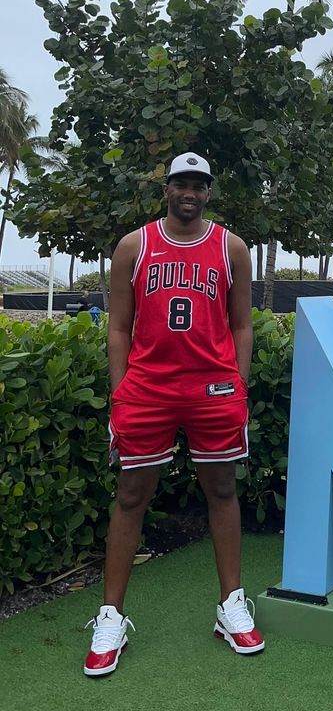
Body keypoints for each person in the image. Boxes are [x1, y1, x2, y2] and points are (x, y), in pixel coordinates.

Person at [85, 153, 263, 676]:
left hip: (212, 388)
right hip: (148, 388)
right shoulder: (134, 246)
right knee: (131, 495)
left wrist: (238, 384)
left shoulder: (231, 247)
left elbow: (242, 325)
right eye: (181, 183)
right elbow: (118, 327)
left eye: (199, 185)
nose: (190, 192)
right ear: (166, 189)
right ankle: (110, 615)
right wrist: (121, 393)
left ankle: (231, 605)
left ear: (209, 192)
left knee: (223, 490)